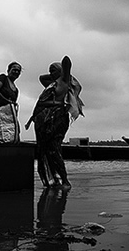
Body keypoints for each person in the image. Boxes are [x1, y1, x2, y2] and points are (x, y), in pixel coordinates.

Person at [27, 56, 84, 188]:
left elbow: (67, 62)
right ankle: (51, 180)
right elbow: (42, 77)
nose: (50, 73)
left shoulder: (64, 82)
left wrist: (63, 70)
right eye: (50, 71)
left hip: (56, 119)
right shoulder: (52, 83)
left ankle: (64, 180)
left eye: (53, 70)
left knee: (53, 149)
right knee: (43, 150)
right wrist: (54, 72)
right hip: (43, 121)